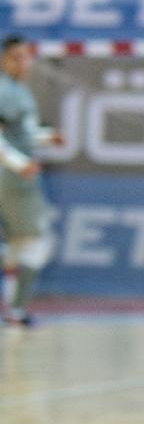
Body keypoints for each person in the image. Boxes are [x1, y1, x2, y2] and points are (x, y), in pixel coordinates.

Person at [0, 36, 58, 329]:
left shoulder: (17, 90)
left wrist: (48, 137)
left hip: (14, 176)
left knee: (17, 244)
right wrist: (18, 163)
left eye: (27, 56)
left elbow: (21, 133)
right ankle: (17, 310)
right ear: (4, 59)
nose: (24, 63)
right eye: (17, 57)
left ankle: (14, 309)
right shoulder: (4, 90)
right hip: (11, 177)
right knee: (38, 242)